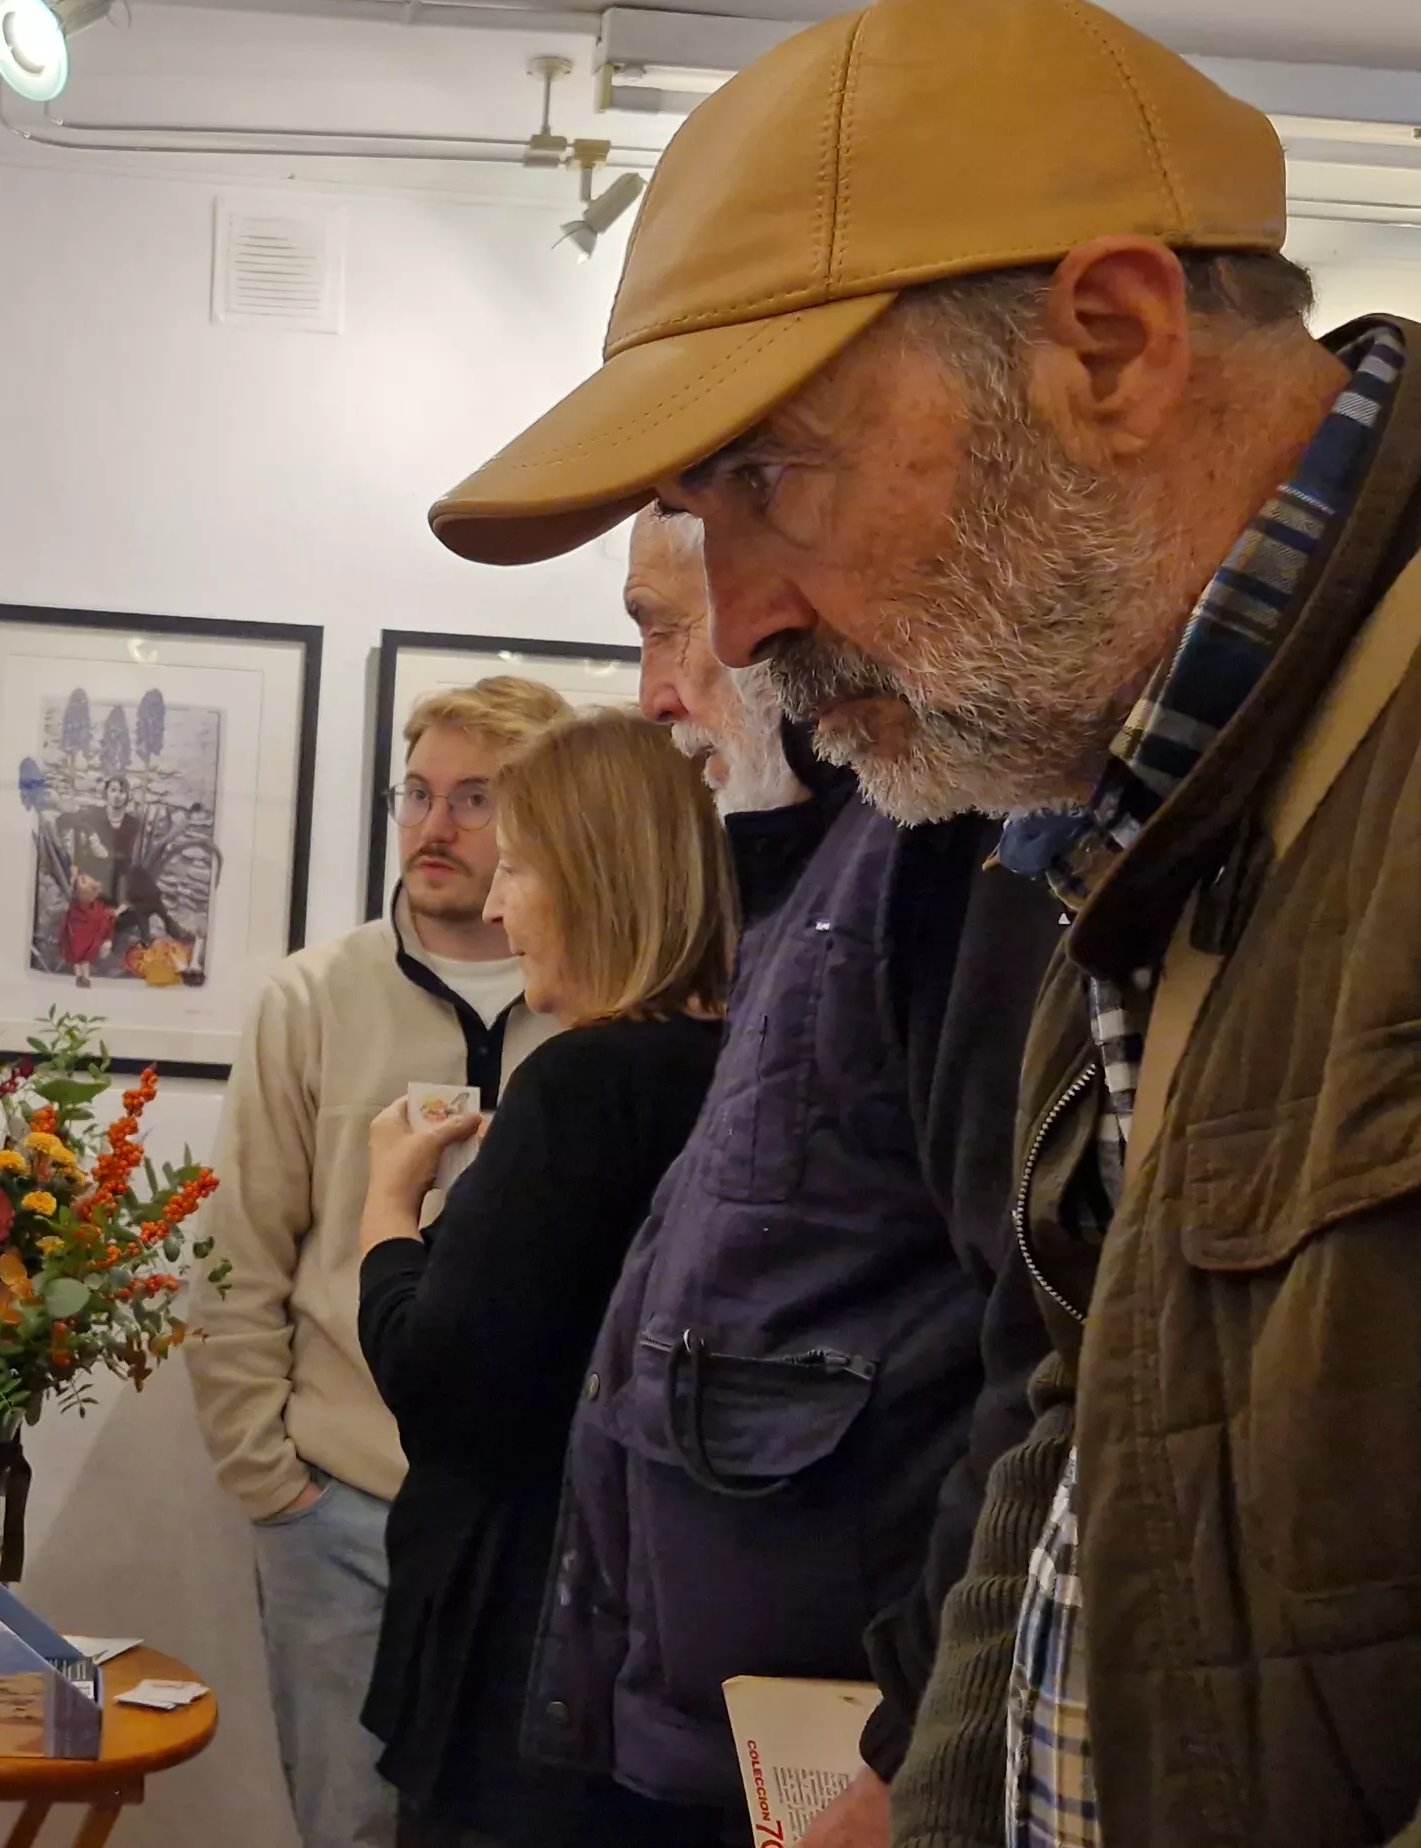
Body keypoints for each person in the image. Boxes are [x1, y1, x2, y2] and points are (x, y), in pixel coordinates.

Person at [429, 1, 1421, 1843]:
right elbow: (1079, 1441)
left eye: (773, 477)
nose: (746, 617)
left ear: (1108, 344)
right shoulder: (1160, 790)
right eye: (696, 515)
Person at [483, 511, 1057, 1847]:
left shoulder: (944, 858)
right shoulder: (828, 877)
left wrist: (915, 1741)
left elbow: (1039, 1352)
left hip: (830, 1763)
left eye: (667, 624)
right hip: (716, 1735)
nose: (662, 687)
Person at [185, 675, 577, 1848]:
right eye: (416, 794)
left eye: (473, 800)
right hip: (343, 1508)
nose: (432, 828)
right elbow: (239, 1256)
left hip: (536, 1525)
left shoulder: (607, 1002)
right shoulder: (313, 997)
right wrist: (275, 1484)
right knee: (349, 1830)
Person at [349, 707, 735, 1848]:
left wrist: (387, 1211)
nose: (503, 904)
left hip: (527, 1653)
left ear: (598, 876)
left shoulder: (584, 1084)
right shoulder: (741, 1065)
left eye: (518, 864)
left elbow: (444, 1382)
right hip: (662, 1648)